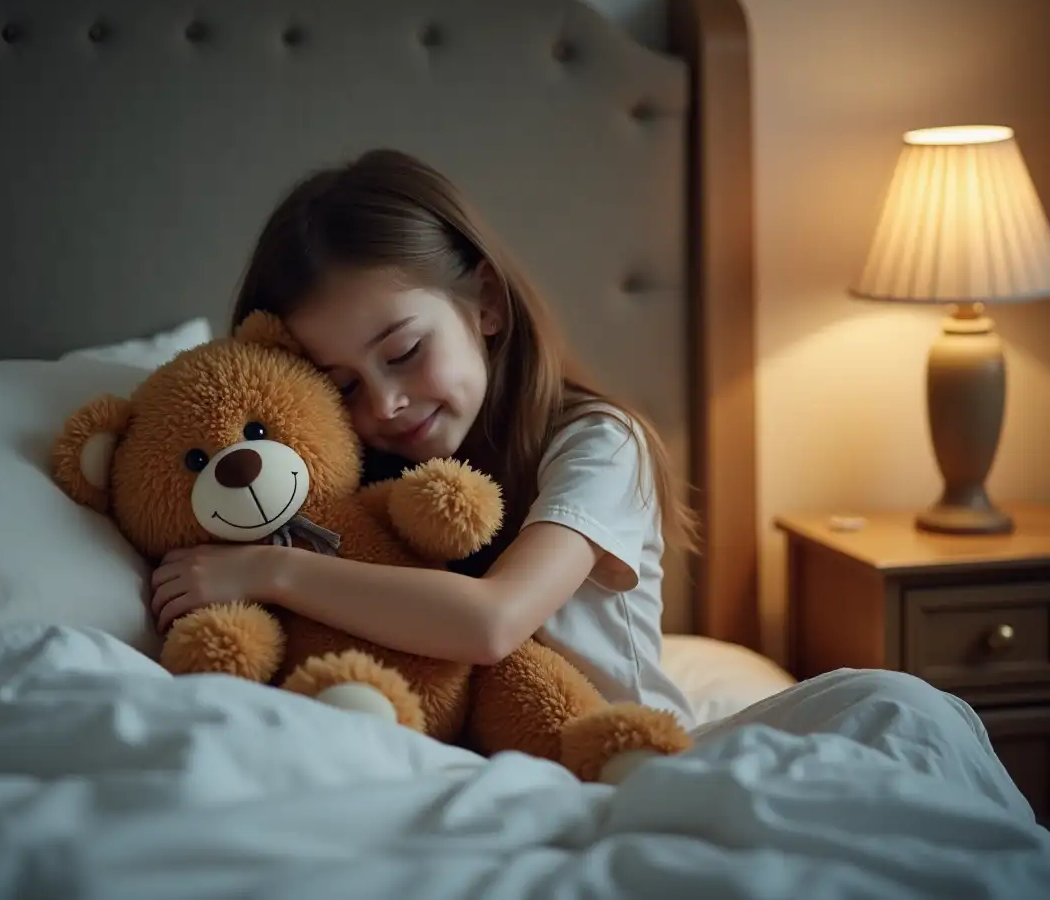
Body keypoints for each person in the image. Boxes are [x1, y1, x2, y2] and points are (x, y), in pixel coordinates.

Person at [149, 149, 1034, 823]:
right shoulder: (325, 489)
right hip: (446, 761)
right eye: (339, 383)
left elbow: (496, 621)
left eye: (406, 351)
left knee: (896, 709)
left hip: (628, 753)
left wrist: (269, 573)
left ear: (485, 303)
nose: (383, 401)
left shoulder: (596, 442)